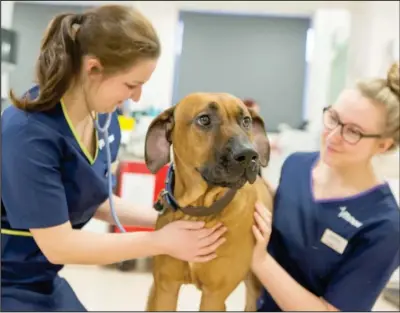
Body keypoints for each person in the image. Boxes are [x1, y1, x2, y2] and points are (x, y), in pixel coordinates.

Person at [1, 5, 226, 311]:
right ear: (93, 69)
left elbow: (90, 198)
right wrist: (160, 240)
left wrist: (169, 218)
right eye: (131, 85)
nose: (136, 98)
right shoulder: (28, 133)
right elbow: (59, 245)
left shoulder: (105, 123)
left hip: (40, 278)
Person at [251, 62, 400, 311]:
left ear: (383, 145)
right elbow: (290, 213)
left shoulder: (384, 226)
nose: (332, 137)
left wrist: (260, 261)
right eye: (333, 118)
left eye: (353, 132)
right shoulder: (296, 165)